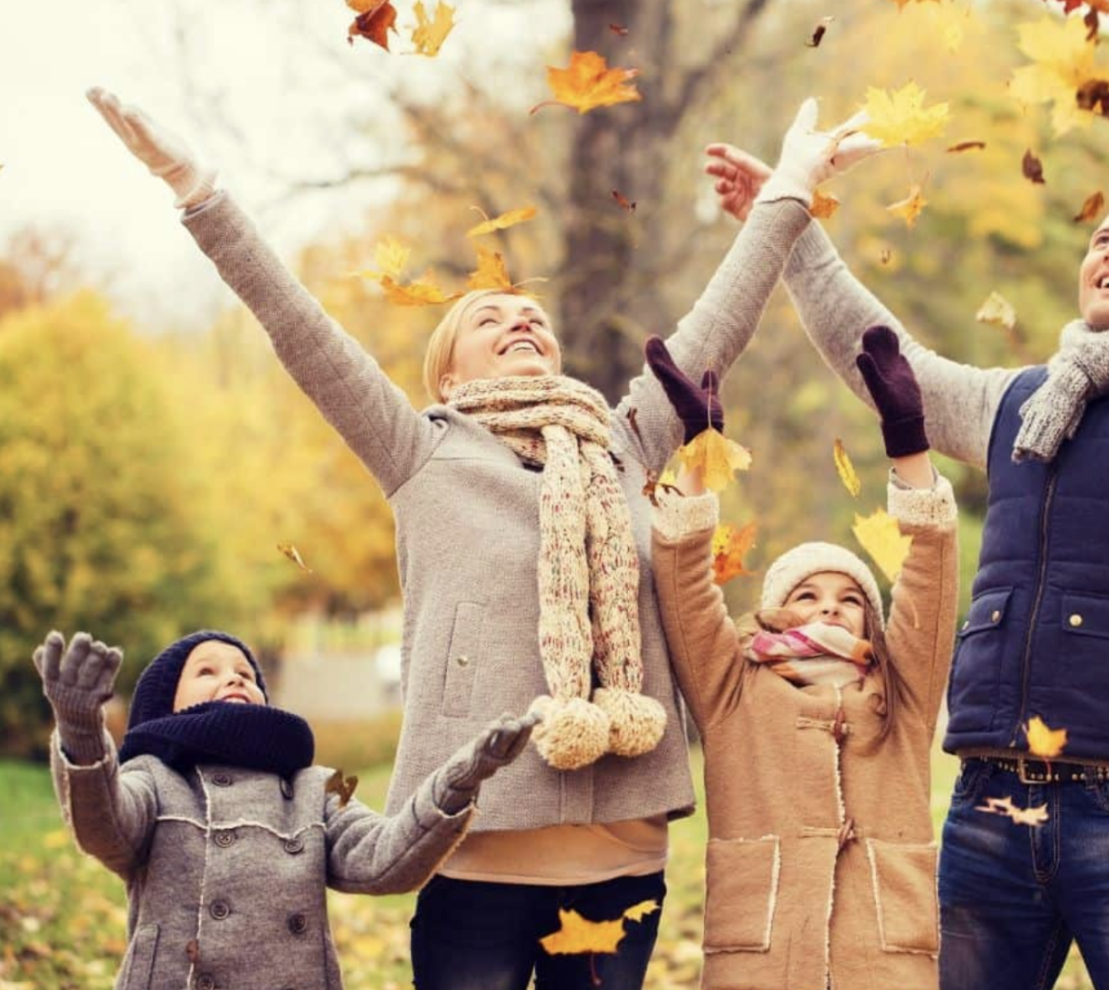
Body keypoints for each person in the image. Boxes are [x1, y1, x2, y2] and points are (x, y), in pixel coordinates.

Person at [84, 87, 880, 988]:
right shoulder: (419, 452)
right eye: (488, 321)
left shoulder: (619, 442)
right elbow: (299, 327)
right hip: (473, 848)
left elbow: (715, 331)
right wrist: (198, 188)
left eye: (531, 316)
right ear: (447, 371)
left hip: (621, 856)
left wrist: (794, 186)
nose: (521, 322)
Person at [705, 132, 1109, 988]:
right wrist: (789, 226)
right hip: (990, 806)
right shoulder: (1019, 403)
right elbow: (889, 366)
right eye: (1102, 238)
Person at [645, 325, 958, 990]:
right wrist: (702, 456)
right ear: (776, 610)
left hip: (882, 954)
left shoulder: (899, 693)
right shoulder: (734, 687)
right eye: (808, 594)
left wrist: (909, 446)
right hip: (763, 951)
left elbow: (929, 579)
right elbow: (683, 582)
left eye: (850, 598)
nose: (830, 606)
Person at [34, 627, 536, 990]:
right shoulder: (152, 779)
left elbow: (385, 859)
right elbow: (104, 827)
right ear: (164, 705)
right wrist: (81, 731)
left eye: (245, 673)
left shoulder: (317, 785)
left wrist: (458, 781)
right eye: (206, 671)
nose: (233, 679)